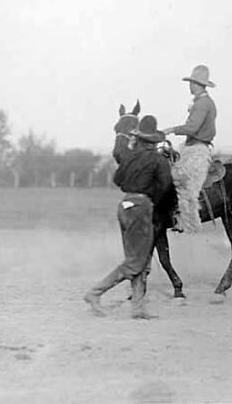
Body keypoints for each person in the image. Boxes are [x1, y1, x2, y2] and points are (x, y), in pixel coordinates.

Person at [84, 115, 173, 319]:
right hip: (142, 207)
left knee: (138, 259)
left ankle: (138, 308)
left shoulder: (130, 157)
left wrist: (132, 187)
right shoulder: (158, 159)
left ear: (138, 139)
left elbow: (117, 179)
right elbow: (166, 185)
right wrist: (151, 197)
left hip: (124, 205)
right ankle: (95, 293)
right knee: (135, 263)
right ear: (153, 141)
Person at [162, 65, 217, 233]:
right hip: (190, 146)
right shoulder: (201, 102)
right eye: (190, 82)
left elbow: (192, 128)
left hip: (198, 149)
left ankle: (188, 223)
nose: (190, 86)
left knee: (184, 183)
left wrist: (171, 130)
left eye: (193, 83)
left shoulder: (203, 103)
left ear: (200, 85)